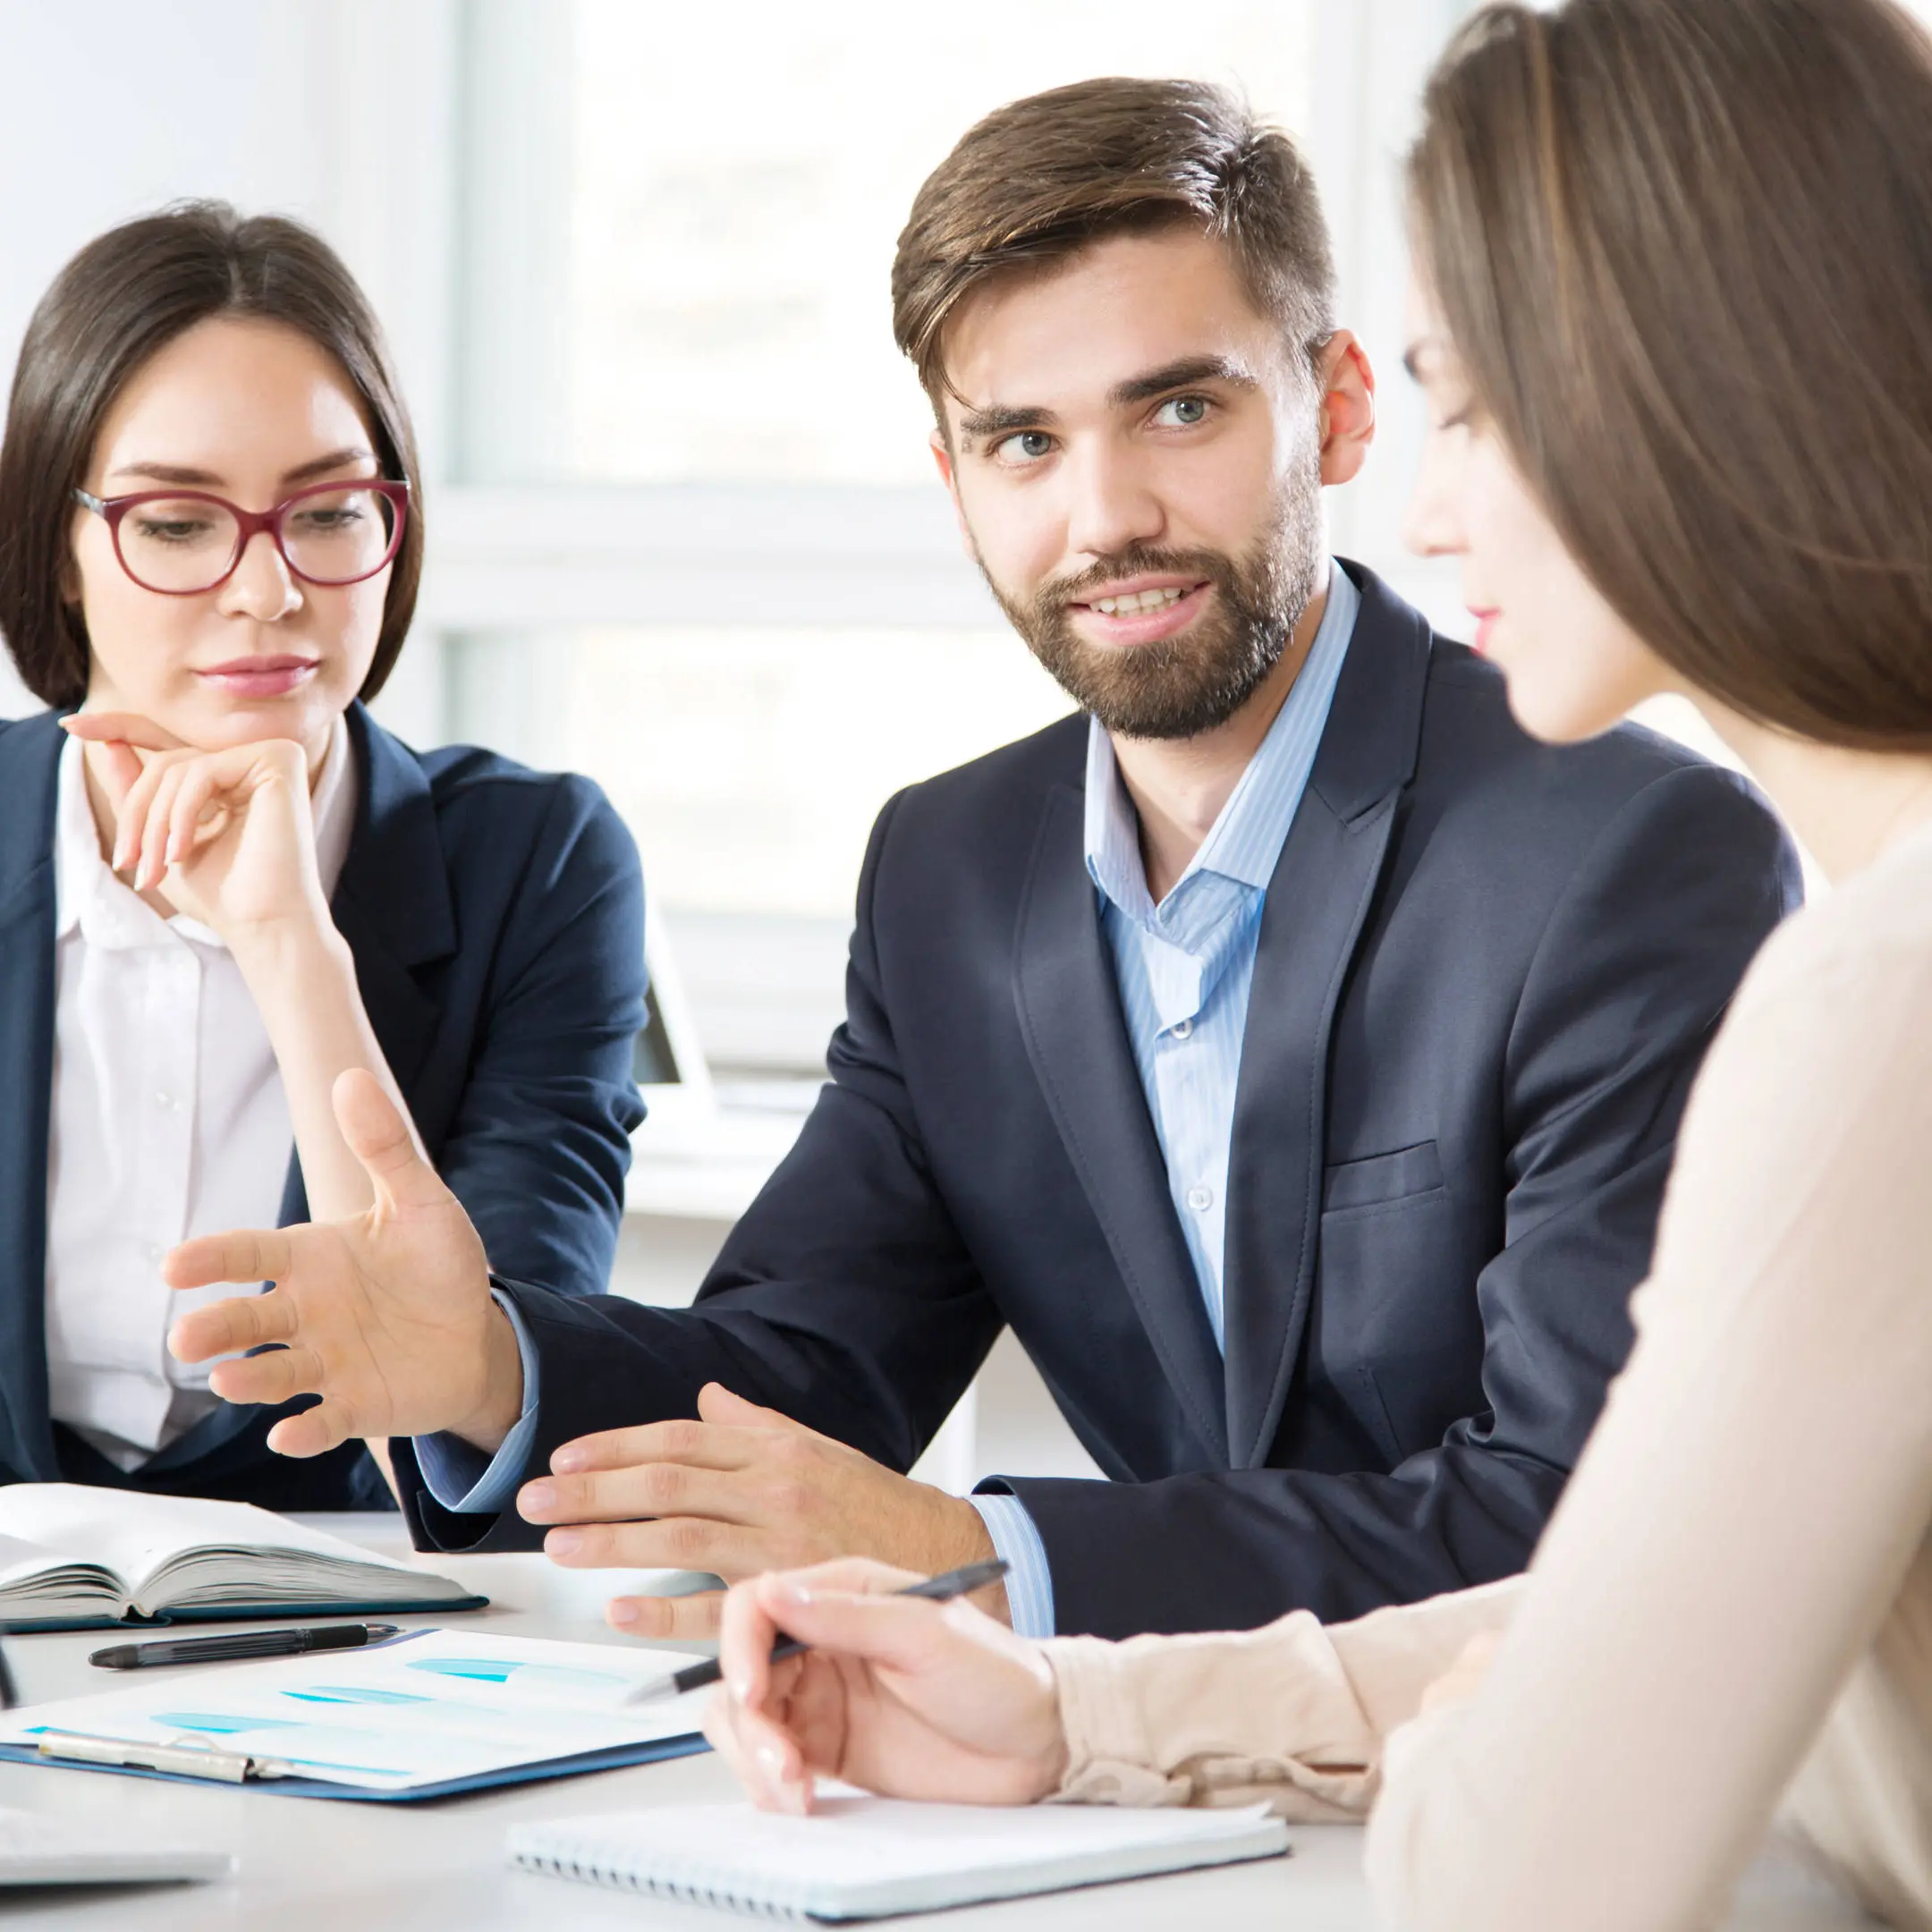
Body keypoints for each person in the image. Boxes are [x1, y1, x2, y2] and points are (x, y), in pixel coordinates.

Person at [162, 81, 1796, 1640]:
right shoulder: (949, 870)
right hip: (1131, 1779)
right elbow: (798, 1374)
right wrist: (495, 1375)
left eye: (1179, 407)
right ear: (952, 483)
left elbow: (1577, 1517)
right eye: (1023, 442)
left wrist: (976, 1550)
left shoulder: (1628, 854)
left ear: (1341, 406)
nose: (1106, 517)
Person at [691, 1, 1932, 1926]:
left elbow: (1540, 1849)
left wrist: (1014, 1586)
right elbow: (1608, 1612)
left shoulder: (1866, 996)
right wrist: (1075, 1715)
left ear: (1695, 384)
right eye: (1022, 437)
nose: (1431, 508)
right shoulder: (953, 865)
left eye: (1474, 401)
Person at [0, 203, 646, 1510]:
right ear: (62, 554)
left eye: (331, 511)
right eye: (177, 524)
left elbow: (473, 1407)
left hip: (370, 1653)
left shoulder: (541, 860)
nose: (270, 590)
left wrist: (291, 947)